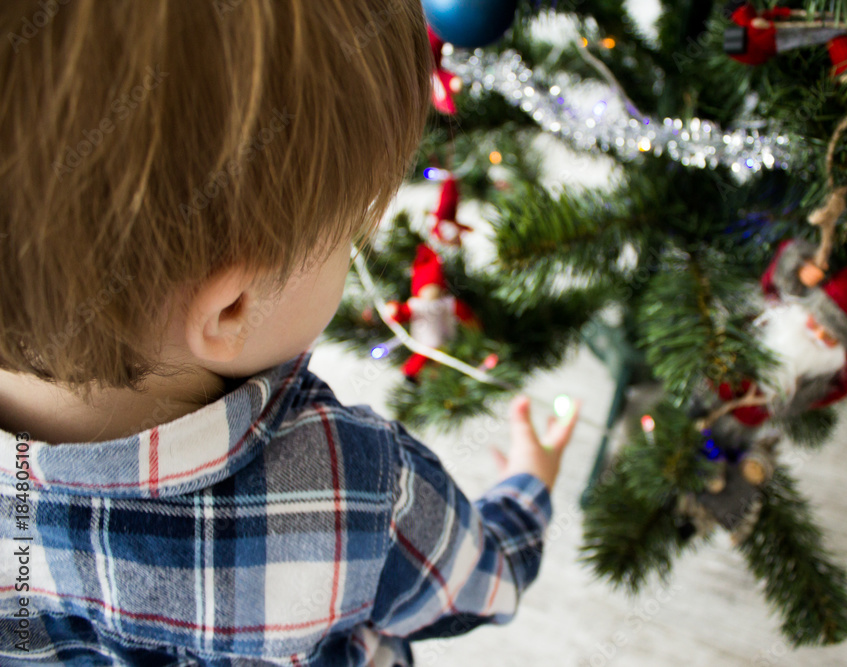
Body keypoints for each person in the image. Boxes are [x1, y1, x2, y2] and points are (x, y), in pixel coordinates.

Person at [0, 2, 579, 665]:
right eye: (348, 229)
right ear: (232, 309)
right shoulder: (350, 482)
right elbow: (483, 583)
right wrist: (528, 488)